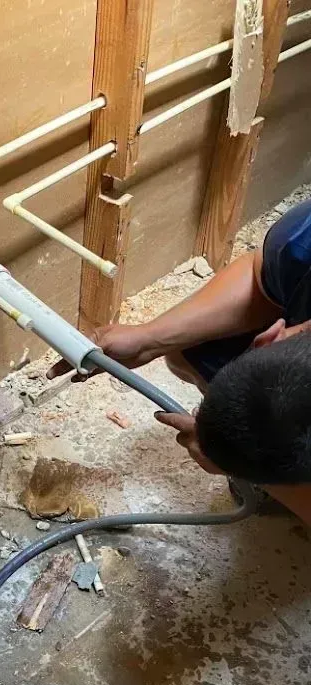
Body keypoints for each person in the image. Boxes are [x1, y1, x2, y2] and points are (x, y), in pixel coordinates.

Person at [50, 198, 311, 523]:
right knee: (196, 350)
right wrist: (151, 338)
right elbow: (262, 281)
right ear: (270, 337)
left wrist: (230, 457)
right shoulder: (305, 238)